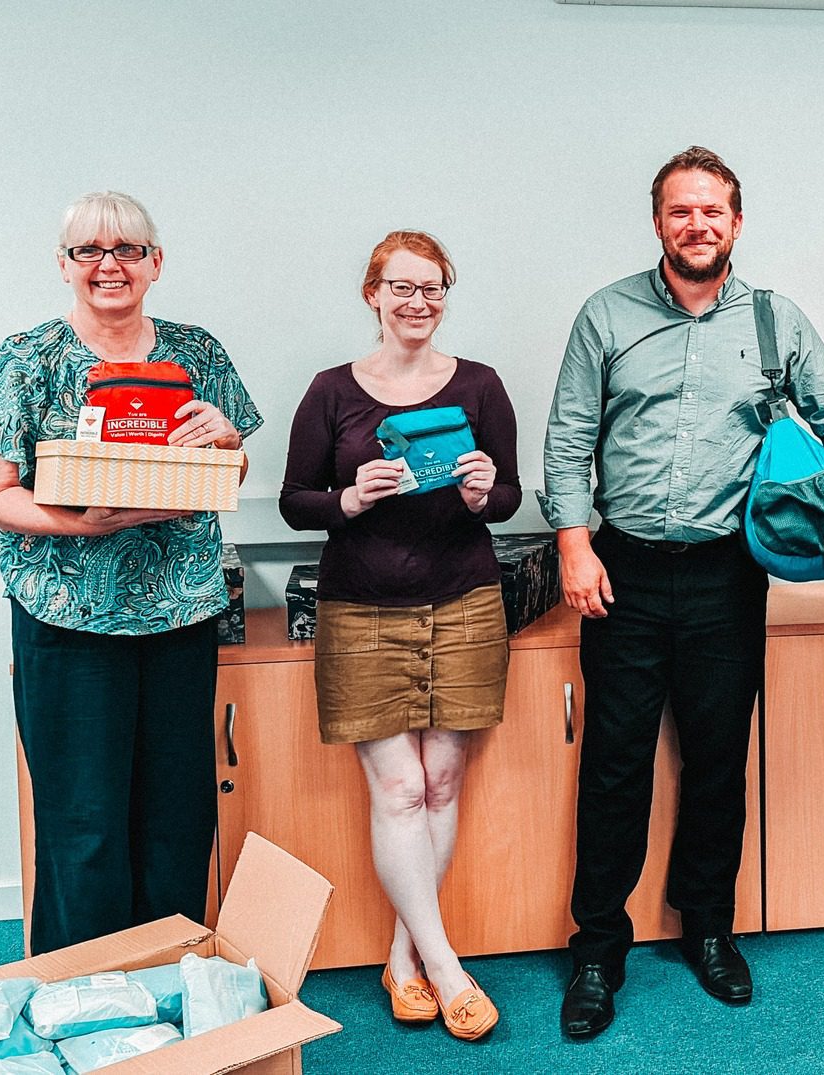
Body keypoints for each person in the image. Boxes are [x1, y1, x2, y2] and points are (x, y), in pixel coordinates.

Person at [540, 146, 824, 1040]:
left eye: (713, 211)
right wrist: (575, 546)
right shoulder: (605, 314)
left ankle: (708, 927)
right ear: (659, 222)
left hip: (727, 575)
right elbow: (568, 439)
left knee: (718, 761)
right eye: (681, 211)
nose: (698, 225)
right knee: (613, 765)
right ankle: (598, 945)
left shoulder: (775, 321)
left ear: (737, 222)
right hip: (622, 571)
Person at [0, 191, 259, 953]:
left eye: (128, 249)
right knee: (84, 822)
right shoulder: (27, 358)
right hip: (68, 620)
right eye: (89, 250)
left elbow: (233, 466)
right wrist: (80, 523)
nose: (109, 265)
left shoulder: (197, 353)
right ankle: (85, 1000)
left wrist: (228, 442)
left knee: (175, 817)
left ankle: (168, 982)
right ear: (64, 265)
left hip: (180, 615)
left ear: (155, 262)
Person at [278, 230, 518, 1042]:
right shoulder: (331, 392)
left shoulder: (481, 385)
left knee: (442, 782)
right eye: (402, 287)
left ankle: (404, 959)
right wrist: (348, 498)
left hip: (465, 602)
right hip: (363, 610)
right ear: (373, 293)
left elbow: (511, 494)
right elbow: (294, 500)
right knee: (400, 789)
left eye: (434, 288)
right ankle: (447, 967)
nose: (419, 302)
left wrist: (487, 490)